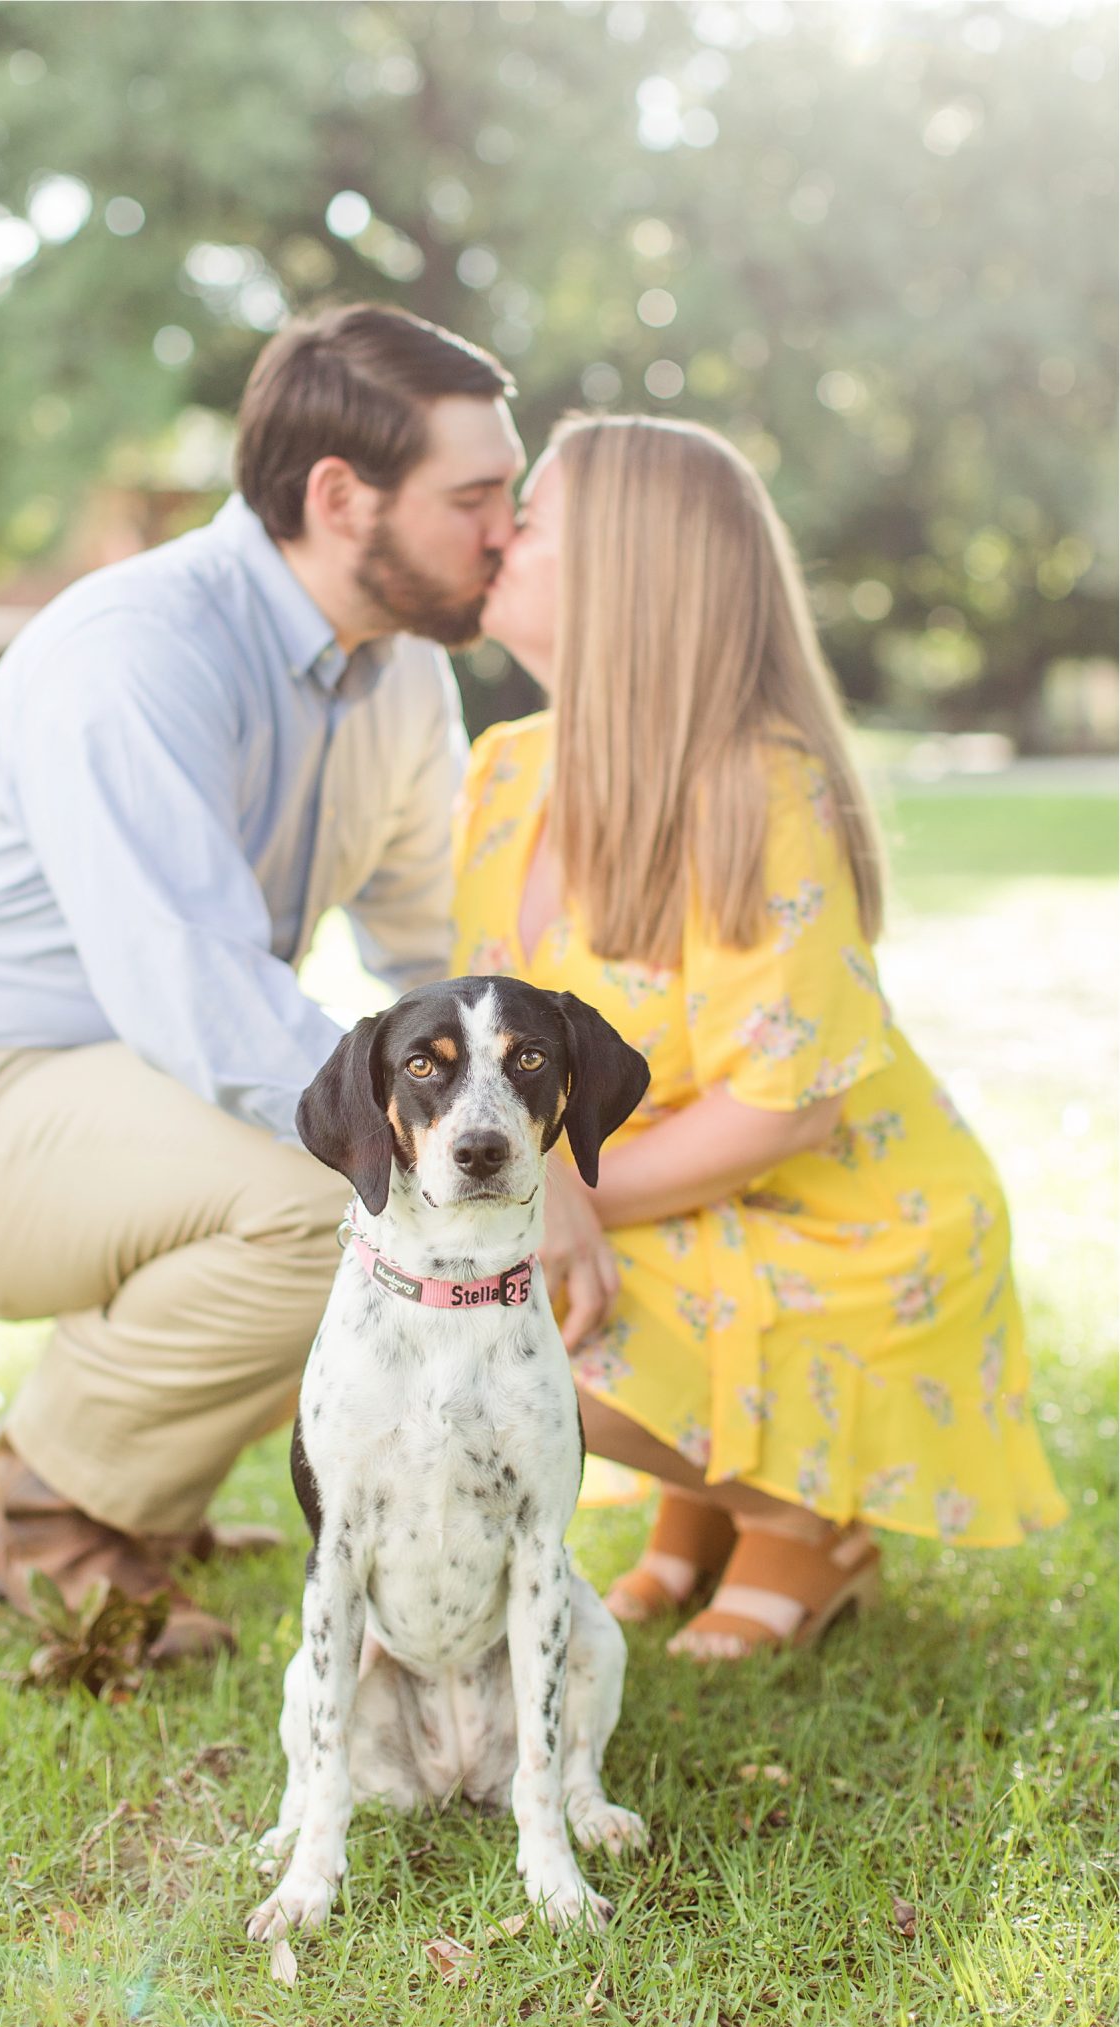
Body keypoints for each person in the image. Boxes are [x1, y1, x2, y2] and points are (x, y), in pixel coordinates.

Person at [0, 303, 524, 1660]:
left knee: (371, 1165)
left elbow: (434, 950)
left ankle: (146, 1501)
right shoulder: (138, 649)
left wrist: (527, 1114)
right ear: (338, 496)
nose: (506, 528)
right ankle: (47, 1516)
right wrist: (440, 1149)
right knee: (333, 1183)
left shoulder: (395, 682)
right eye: (476, 495)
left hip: (114, 1094)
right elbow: (197, 994)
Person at [454, 414, 1067, 1660]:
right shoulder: (506, 769)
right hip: (671, 1187)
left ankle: (801, 1515)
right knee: (453, 1298)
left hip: (837, 1212)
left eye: (532, 520)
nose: (495, 537)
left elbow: (784, 1109)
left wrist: (551, 1194)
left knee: (499, 1312)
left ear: (628, 578)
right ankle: (707, 1504)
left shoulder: (754, 788)